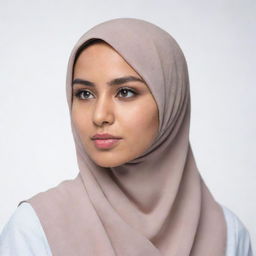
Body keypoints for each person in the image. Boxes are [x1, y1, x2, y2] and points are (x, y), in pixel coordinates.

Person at [0, 18, 253, 256]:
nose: (100, 115)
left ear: (170, 99)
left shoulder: (228, 235)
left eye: (125, 92)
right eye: (85, 94)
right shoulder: (35, 229)